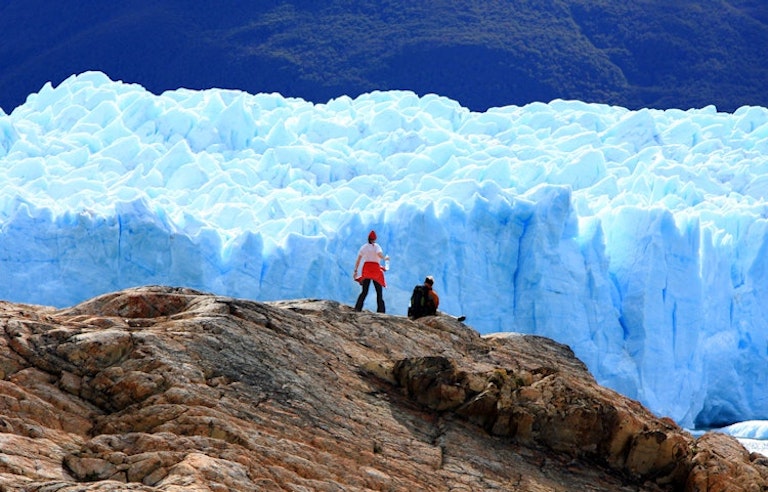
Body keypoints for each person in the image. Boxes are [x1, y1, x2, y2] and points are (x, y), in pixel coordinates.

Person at [353, 230, 389, 313]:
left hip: (367, 269)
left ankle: (358, 308)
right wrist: (385, 258)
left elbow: (358, 259)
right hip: (375, 269)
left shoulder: (364, 247)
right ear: (375, 238)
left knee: (364, 291)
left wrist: (355, 270)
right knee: (379, 291)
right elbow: (379, 254)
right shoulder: (376, 246)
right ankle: (381, 310)